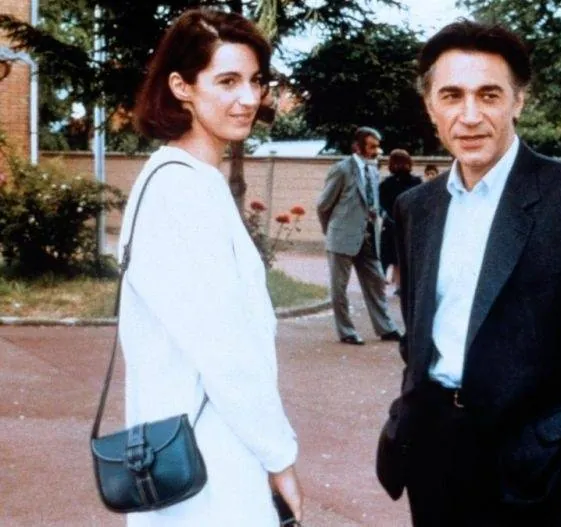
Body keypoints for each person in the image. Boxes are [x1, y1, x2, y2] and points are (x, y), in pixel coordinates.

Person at [377, 19, 561, 527]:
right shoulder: (417, 207)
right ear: (431, 107)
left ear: (518, 101)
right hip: (431, 452)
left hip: (534, 467)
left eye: (489, 95)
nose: (469, 116)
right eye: (452, 96)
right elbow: (419, 329)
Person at [119, 8, 302, 526]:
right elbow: (227, 351)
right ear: (181, 87)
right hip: (207, 466)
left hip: (196, 450)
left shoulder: (189, 180)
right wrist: (279, 457)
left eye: (255, 81)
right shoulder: (181, 190)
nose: (248, 98)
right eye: (227, 81)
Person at [317, 126, 401, 345]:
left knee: (376, 282)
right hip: (341, 237)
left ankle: (386, 328)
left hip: (368, 238)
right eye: (371, 146)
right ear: (357, 147)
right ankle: (346, 331)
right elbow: (323, 205)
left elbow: (371, 203)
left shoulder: (373, 170)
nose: (376, 151)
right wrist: (331, 231)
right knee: (339, 288)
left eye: (377, 146)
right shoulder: (342, 169)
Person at [378, 149, 421, 292]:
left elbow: (381, 205)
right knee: (406, 255)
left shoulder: (386, 184)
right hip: (410, 223)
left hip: (392, 224)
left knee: (393, 256)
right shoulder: (416, 182)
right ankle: (404, 284)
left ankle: (398, 284)